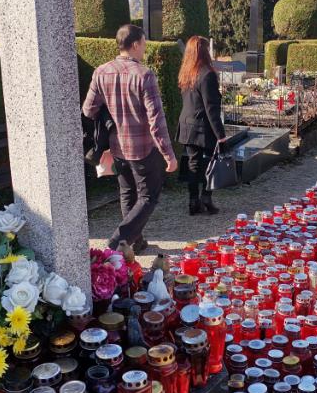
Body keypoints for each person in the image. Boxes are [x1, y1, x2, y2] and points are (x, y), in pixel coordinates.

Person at [82, 24, 178, 252]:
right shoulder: (144, 75)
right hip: (142, 147)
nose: (144, 48)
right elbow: (156, 120)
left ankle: (136, 242)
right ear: (135, 44)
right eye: (144, 44)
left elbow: (88, 109)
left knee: (128, 193)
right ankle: (118, 242)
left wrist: (110, 113)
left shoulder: (101, 72)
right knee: (148, 196)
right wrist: (169, 155)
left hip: (116, 146)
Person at [176, 35, 226, 215]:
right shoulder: (207, 73)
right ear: (203, 51)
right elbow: (211, 108)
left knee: (193, 164)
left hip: (187, 123)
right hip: (203, 126)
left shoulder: (186, 72)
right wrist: (221, 135)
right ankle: (206, 198)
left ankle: (193, 201)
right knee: (209, 163)